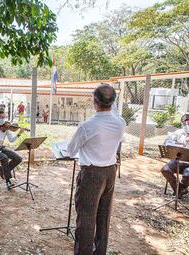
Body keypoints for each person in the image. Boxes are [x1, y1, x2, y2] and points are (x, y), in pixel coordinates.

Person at [67, 84, 125, 255]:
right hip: (110, 172)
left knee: (86, 217)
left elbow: (71, 150)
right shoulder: (120, 123)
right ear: (113, 102)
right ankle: (100, 251)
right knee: (103, 215)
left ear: (94, 100)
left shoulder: (87, 126)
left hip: (91, 174)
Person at [161, 114, 189, 198]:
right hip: (178, 161)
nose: (186, 124)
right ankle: (180, 190)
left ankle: (178, 190)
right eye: (184, 122)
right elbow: (166, 142)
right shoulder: (179, 132)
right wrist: (177, 143)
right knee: (165, 169)